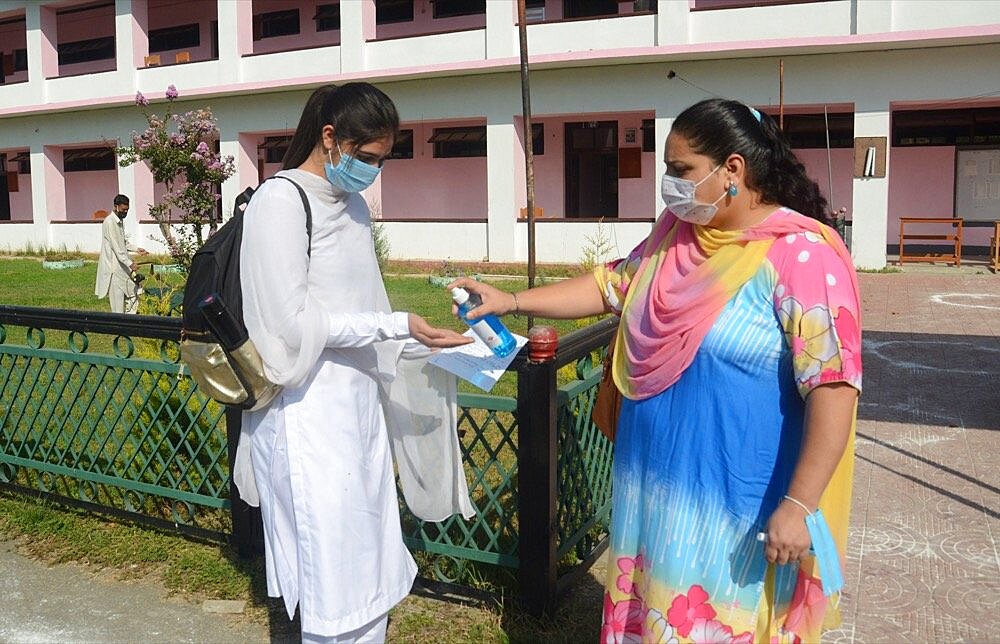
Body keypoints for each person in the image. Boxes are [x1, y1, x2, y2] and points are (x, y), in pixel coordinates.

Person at [450, 98, 862, 643]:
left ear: (732, 170)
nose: (669, 183)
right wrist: (511, 299)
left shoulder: (802, 258)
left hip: (735, 508)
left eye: (681, 169)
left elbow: (833, 388)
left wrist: (798, 503)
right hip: (654, 491)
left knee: (713, 622)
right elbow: (609, 286)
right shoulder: (676, 236)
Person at [235, 83, 474, 643]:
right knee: (328, 577)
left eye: (381, 160)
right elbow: (291, 326)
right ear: (329, 138)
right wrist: (393, 325)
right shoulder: (280, 201)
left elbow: (370, 308)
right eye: (366, 158)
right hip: (305, 419)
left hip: (357, 413)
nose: (373, 171)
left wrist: (430, 342)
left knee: (367, 562)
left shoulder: (356, 206)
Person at [94, 194, 146, 313]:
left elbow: (123, 242)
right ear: (116, 207)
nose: (125, 212)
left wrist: (137, 249)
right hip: (113, 269)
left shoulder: (119, 221)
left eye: (127, 210)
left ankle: (128, 323)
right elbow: (116, 247)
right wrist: (130, 263)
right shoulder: (109, 222)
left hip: (121, 268)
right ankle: (120, 328)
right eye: (123, 210)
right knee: (117, 307)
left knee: (134, 292)